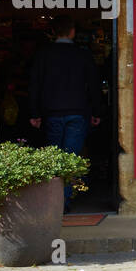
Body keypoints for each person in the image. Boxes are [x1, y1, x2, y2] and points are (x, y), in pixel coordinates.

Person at [28, 15, 101, 212]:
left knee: (53, 158)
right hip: (77, 112)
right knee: (70, 158)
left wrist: (34, 113)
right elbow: (93, 86)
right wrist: (96, 111)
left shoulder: (44, 54)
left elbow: (35, 85)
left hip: (52, 113)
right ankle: (63, 201)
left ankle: (52, 201)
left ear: (54, 31)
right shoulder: (82, 55)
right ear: (72, 32)